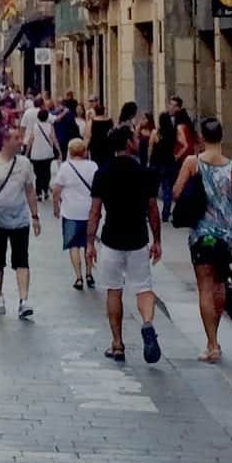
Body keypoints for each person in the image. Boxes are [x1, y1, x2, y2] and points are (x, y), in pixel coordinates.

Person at [175, 116, 232, 364]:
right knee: (220, 283)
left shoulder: (192, 163)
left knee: (204, 286)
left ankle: (211, 343)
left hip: (201, 235)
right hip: (226, 236)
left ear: (201, 137)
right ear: (221, 137)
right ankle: (216, 334)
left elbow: (176, 191)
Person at [86, 123, 162, 364]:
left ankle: (117, 344)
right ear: (128, 143)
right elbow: (153, 210)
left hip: (111, 240)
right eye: (134, 138)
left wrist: (89, 243)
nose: (137, 140)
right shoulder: (145, 172)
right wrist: (157, 239)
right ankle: (148, 324)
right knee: (143, 287)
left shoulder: (103, 173)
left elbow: (95, 212)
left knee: (114, 290)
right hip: (138, 238)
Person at [0, 124, 40, 318]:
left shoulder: (25, 163)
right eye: (16, 138)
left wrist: (35, 216)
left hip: (20, 219)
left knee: (22, 259)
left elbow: (30, 190)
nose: (21, 141)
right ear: (5, 141)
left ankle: (24, 300)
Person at [51, 137, 98, 291]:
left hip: (71, 212)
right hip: (90, 211)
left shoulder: (65, 167)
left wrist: (56, 207)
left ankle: (78, 277)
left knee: (74, 245)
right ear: (84, 151)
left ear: (69, 152)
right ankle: (89, 273)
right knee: (89, 243)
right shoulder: (93, 166)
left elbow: (56, 190)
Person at [24, 96, 60, 199]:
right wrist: (58, 150)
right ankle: (45, 189)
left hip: (36, 154)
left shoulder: (35, 127)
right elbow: (54, 139)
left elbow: (30, 141)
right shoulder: (49, 126)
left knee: (38, 174)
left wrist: (27, 153)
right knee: (47, 172)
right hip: (47, 153)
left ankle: (39, 193)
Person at [86, 98, 114, 166]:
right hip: (108, 147)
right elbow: (112, 132)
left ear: (95, 111)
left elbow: (88, 136)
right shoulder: (110, 121)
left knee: (96, 165)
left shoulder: (91, 122)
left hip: (95, 147)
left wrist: (85, 148)